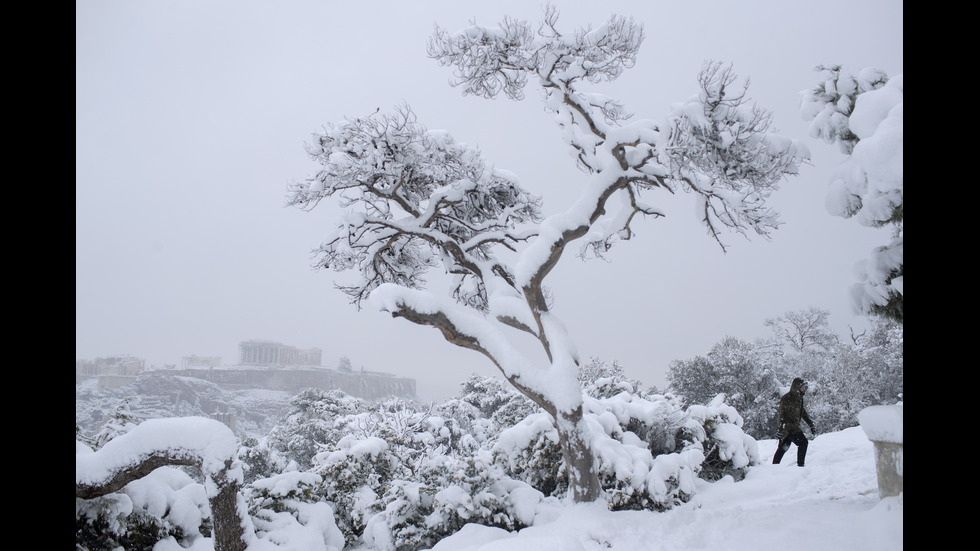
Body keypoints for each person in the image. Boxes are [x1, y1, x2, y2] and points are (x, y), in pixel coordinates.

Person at [772, 377, 816, 466]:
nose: (805, 389)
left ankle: (774, 467)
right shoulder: (787, 398)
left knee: (783, 447)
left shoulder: (799, 399)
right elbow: (782, 415)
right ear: (797, 387)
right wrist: (781, 429)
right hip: (789, 427)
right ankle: (800, 466)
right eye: (804, 387)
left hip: (791, 427)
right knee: (803, 443)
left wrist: (811, 424)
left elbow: (802, 412)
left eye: (806, 387)